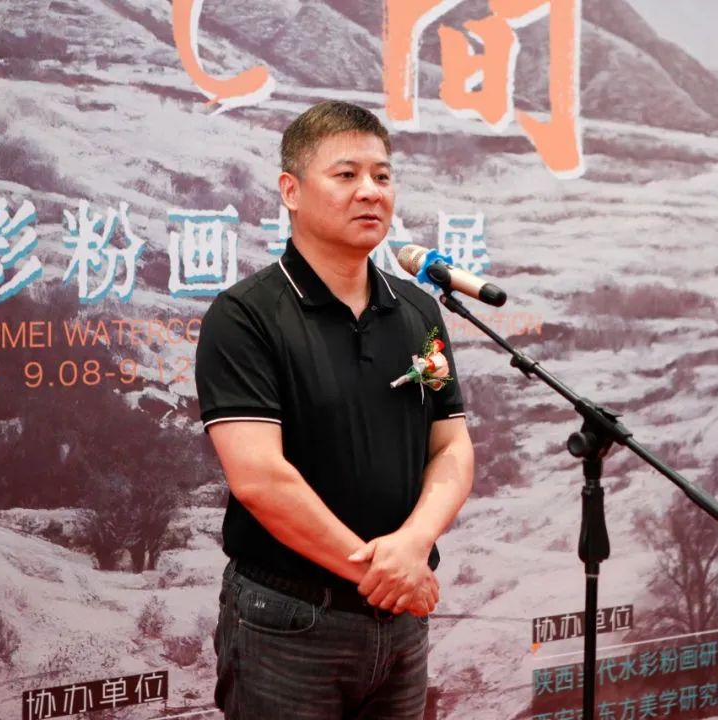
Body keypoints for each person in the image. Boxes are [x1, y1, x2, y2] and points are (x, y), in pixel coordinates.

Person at [195, 100, 474, 719]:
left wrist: (413, 545)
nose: (370, 191)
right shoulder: (245, 316)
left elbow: (451, 446)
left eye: (382, 175)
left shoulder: (418, 311)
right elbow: (260, 480)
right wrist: (382, 571)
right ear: (291, 191)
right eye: (346, 175)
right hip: (290, 621)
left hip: (401, 621)